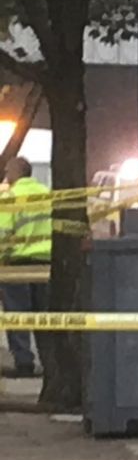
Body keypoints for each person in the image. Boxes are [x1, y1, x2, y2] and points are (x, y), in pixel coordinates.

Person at [0, 158, 49, 380]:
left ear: (15, 172)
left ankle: (24, 362)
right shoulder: (47, 194)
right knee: (45, 317)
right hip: (46, 263)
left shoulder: (10, 197)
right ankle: (50, 362)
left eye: (7, 171)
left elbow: (3, 233)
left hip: (17, 264)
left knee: (17, 315)